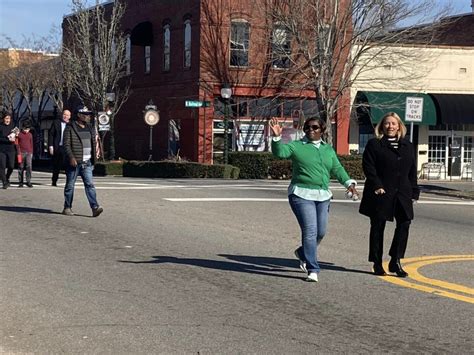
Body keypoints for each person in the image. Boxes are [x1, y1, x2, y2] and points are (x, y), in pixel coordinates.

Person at [269, 117, 359, 282]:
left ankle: (303, 252)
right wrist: (276, 138)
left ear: (322, 130)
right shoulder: (296, 146)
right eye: (307, 127)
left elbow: (337, 168)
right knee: (310, 231)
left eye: (315, 127)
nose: (311, 130)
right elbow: (280, 153)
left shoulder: (328, 150)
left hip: (323, 195)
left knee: (321, 231)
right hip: (301, 194)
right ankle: (312, 268)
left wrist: (348, 183)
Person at [359, 112, 419, 277]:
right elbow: (368, 166)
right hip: (381, 192)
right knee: (378, 227)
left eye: (393, 123)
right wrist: (377, 185)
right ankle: (377, 262)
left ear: (399, 126)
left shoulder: (408, 146)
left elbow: (412, 170)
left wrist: (414, 191)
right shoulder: (375, 144)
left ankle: (395, 260)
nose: (390, 126)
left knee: (405, 223)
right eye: (387, 123)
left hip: (403, 192)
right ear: (382, 126)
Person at [62, 105, 103, 217]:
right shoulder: (70, 128)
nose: (87, 116)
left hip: (87, 162)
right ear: (79, 115)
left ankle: (95, 207)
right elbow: (66, 145)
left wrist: (94, 157)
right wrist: (71, 157)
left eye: (88, 115)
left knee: (90, 184)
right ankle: (67, 207)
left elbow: (93, 143)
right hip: (75, 162)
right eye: (85, 114)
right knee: (70, 185)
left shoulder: (89, 128)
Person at [48, 109, 71, 186]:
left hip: (67, 148)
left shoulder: (71, 124)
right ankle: (54, 181)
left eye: (67, 115)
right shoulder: (56, 122)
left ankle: (69, 182)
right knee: (56, 165)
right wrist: (51, 146)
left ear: (70, 116)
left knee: (68, 166)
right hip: (58, 147)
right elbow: (51, 134)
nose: (65, 116)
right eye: (64, 114)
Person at [0, 112, 17, 189]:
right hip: (2, 149)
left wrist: (16, 136)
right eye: (6, 118)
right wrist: (7, 139)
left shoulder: (13, 126)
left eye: (9, 118)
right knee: (2, 166)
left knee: (11, 166)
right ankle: (4, 182)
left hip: (11, 149)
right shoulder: (0, 126)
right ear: (3, 119)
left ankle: (7, 177)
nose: (7, 120)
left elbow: (16, 135)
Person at [17, 120, 34, 187]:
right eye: (25, 129)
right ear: (22, 127)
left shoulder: (30, 135)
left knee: (29, 167)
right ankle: (20, 181)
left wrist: (32, 152)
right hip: (21, 153)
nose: (26, 130)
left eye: (28, 129)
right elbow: (17, 144)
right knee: (21, 167)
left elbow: (31, 143)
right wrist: (18, 152)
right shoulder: (19, 134)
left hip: (29, 153)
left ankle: (28, 181)